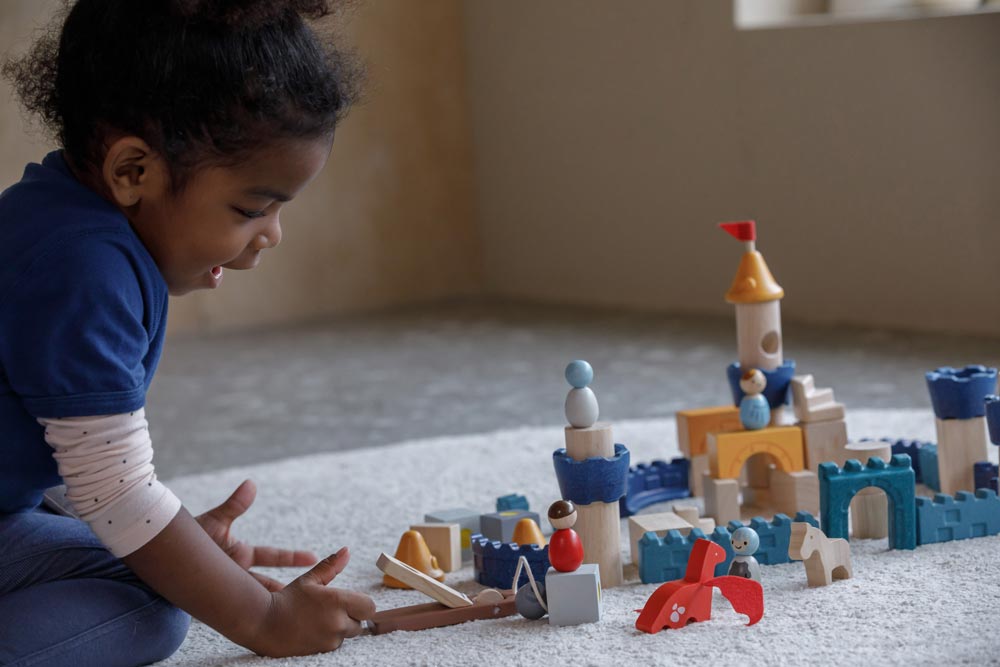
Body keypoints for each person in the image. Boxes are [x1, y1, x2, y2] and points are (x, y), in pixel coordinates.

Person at [0, 1, 375, 664]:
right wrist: (261, 616)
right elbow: (116, 493)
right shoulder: (86, 270)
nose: (271, 235)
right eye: (251, 208)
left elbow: (69, 471)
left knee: (160, 569)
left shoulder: (54, 216)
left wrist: (179, 551)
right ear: (133, 172)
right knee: (156, 606)